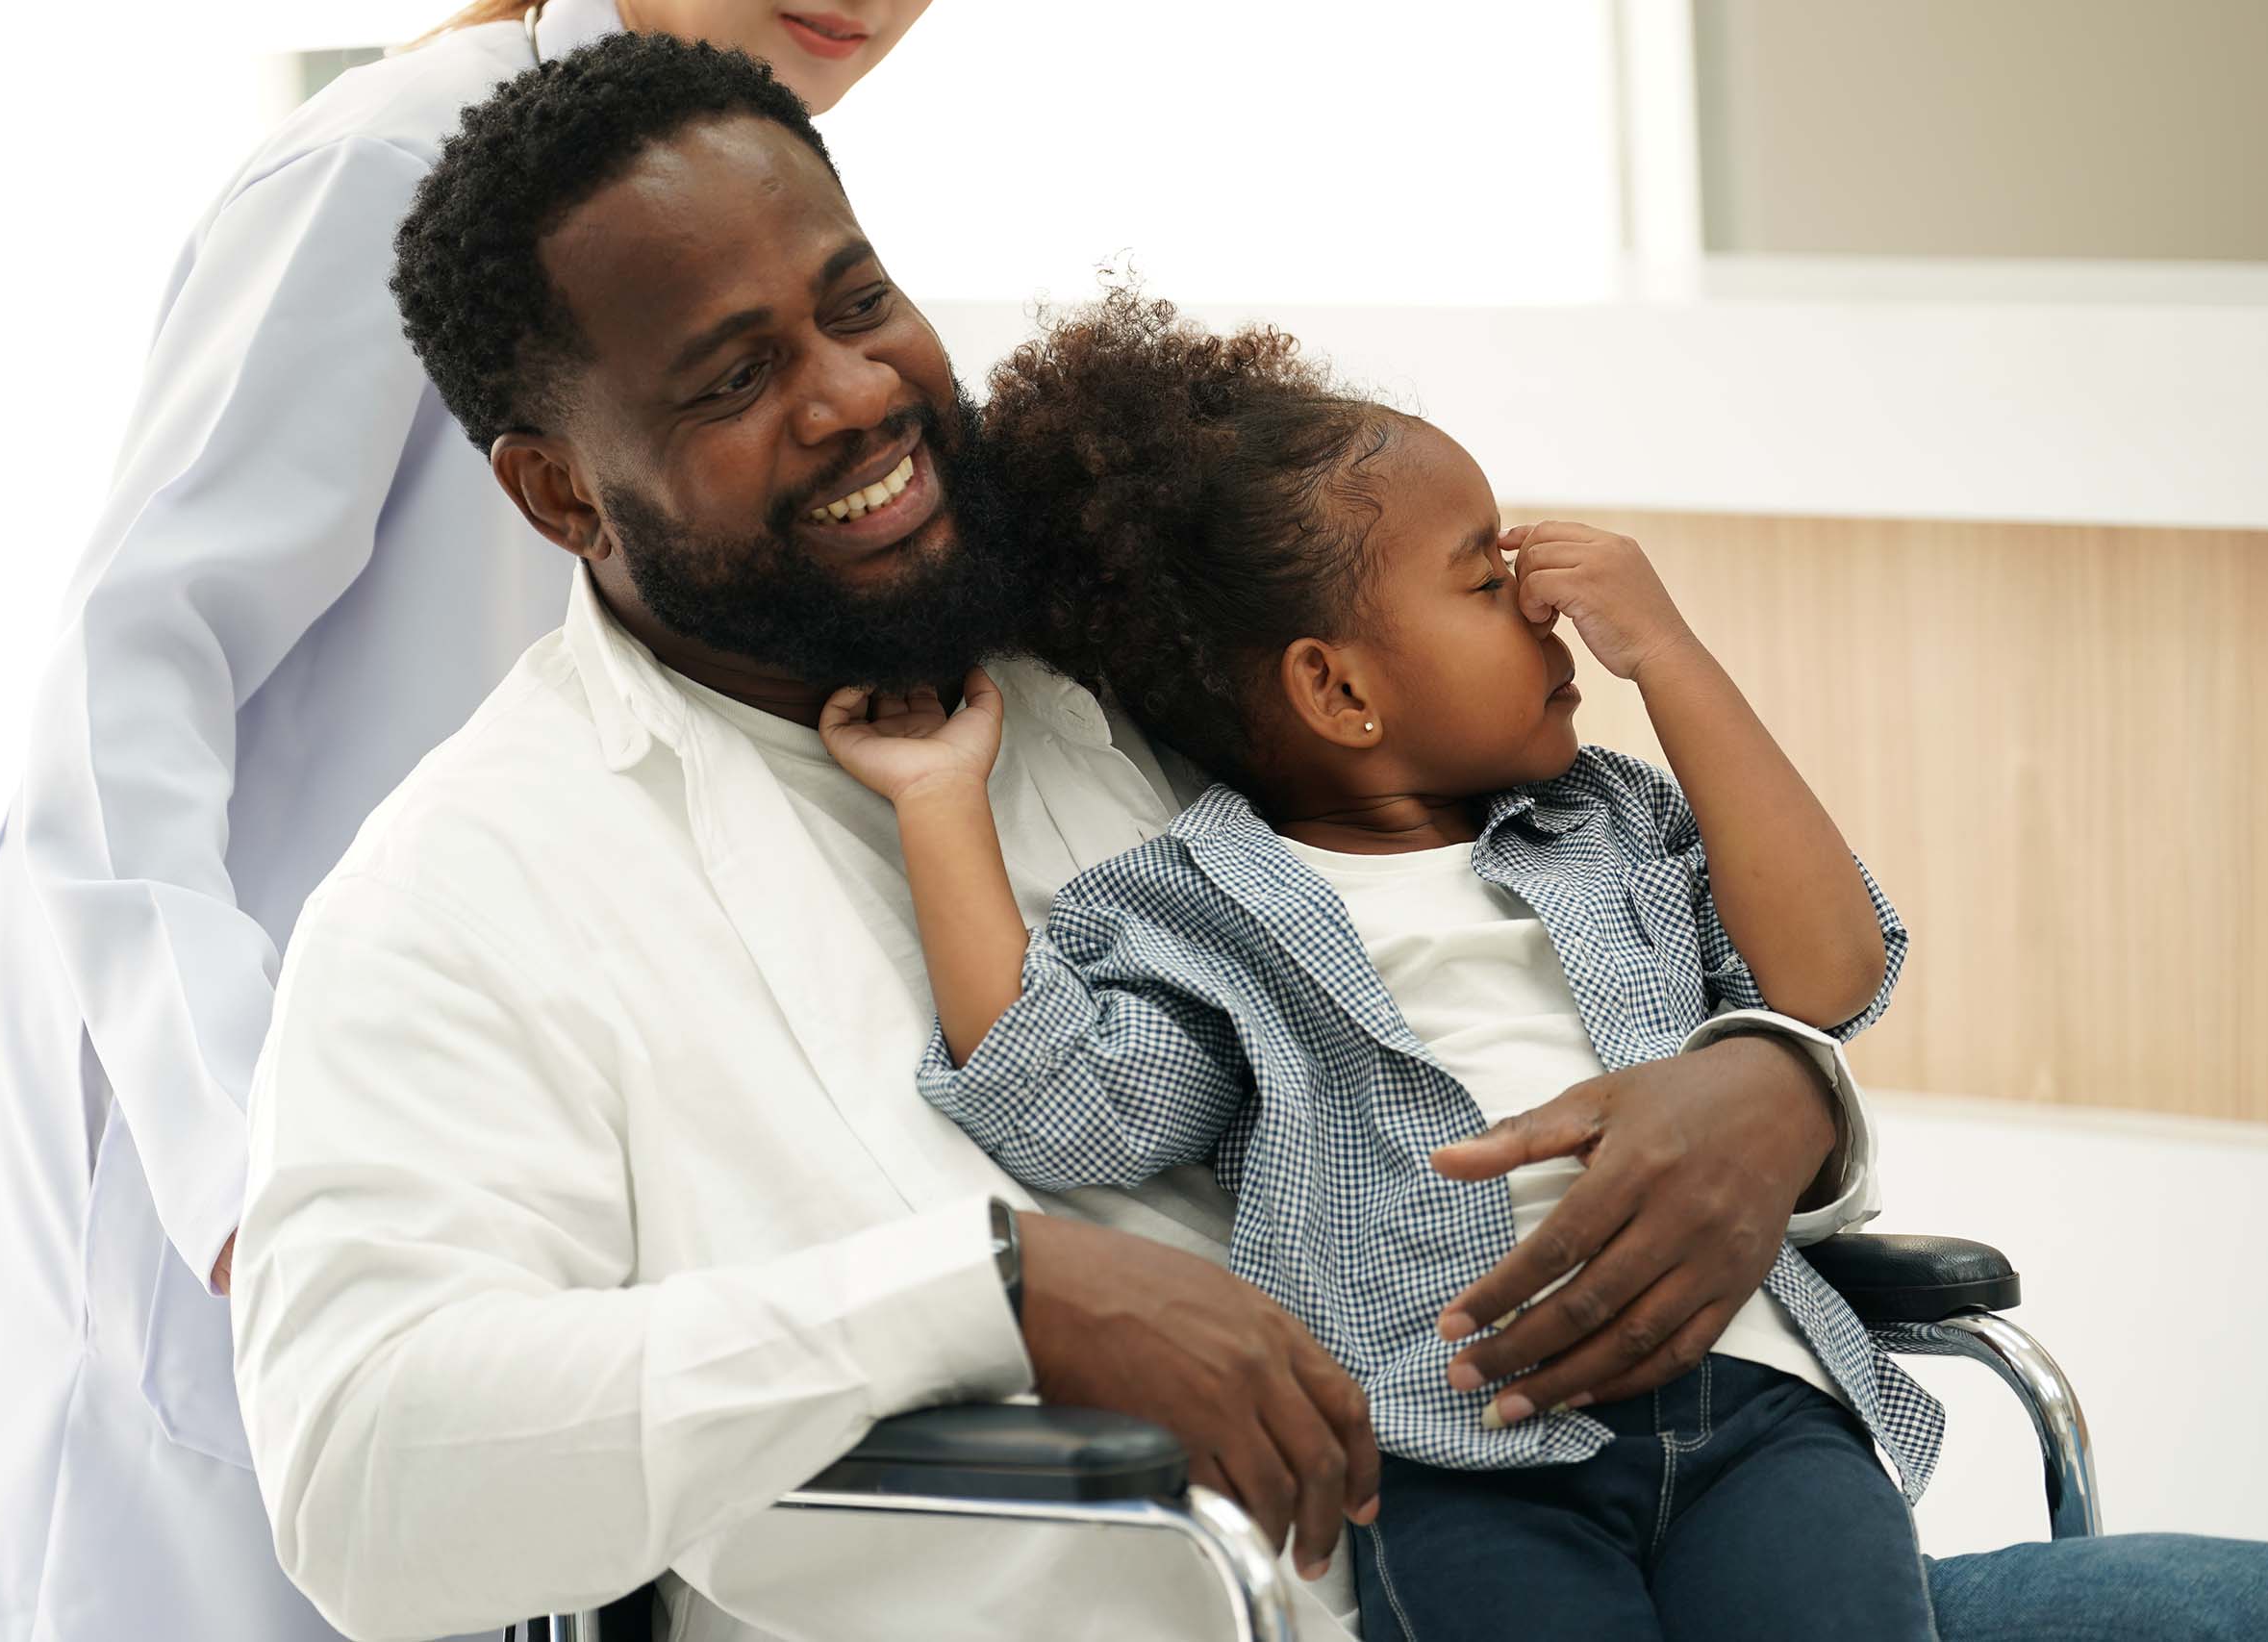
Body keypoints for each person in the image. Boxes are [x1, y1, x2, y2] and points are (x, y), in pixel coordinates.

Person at [231, 31, 2268, 1642]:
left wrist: (1764, 1091)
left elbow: (1541, 935)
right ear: (553, 491)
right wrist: (979, 1292)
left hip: (1593, 1537)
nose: (857, 394)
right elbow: (358, 1464)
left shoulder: (1120, 665)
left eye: (855, 299)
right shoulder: (472, 891)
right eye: (726, 377)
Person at [0, 6, 932, 1640]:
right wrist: (250, 1175)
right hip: (296, 1181)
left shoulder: (724, 184)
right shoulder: (395, 162)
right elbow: (118, 715)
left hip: (506, 1193)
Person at [817, 289, 1940, 1639]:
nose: (1541, 607)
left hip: (1757, 1406)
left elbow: (1828, 972)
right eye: (1483, 578)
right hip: (1462, 1457)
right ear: (1338, 692)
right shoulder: (1204, 912)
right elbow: (1066, 1105)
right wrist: (942, 802)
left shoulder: (1614, 821)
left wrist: (1671, 658)